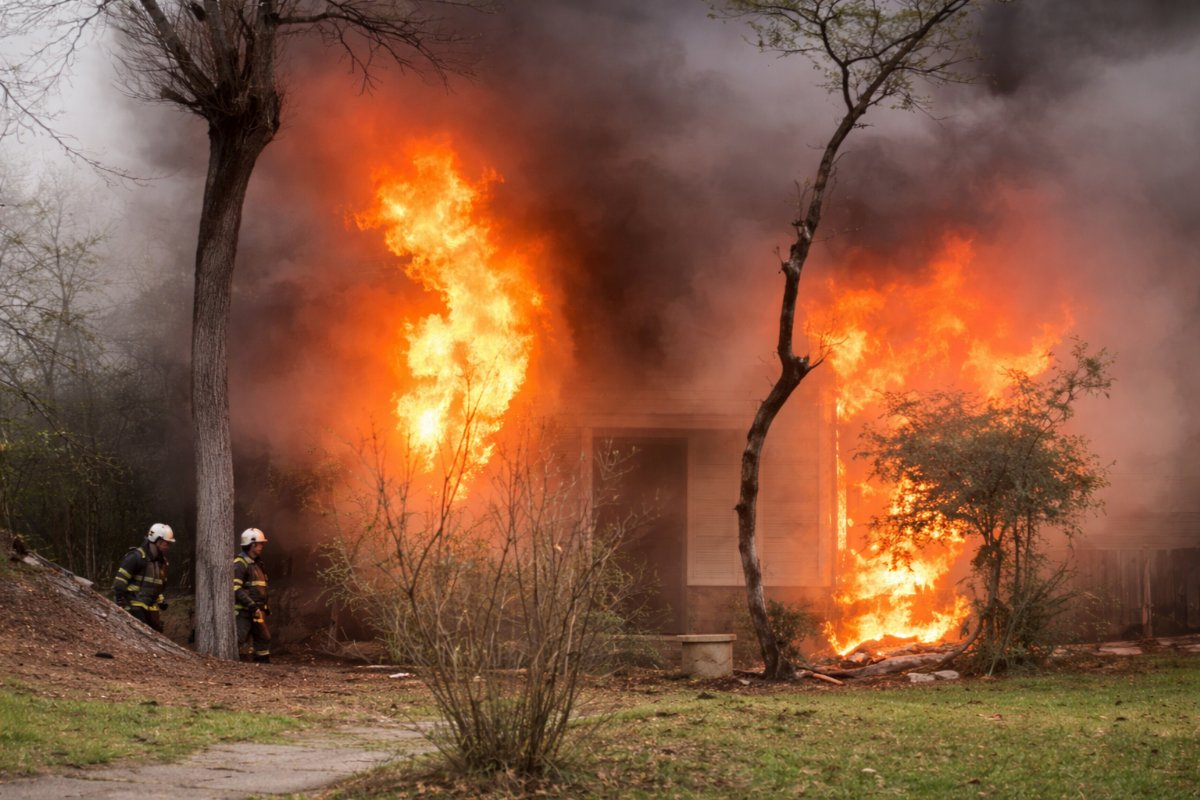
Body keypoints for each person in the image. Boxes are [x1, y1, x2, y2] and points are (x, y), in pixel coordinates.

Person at [112, 523, 174, 632]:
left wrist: (161, 601)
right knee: (142, 633)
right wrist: (120, 600)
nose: (167, 546)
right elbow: (120, 581)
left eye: (169, 543)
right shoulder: (136, 557)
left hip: (151, 606)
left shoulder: (163, 563)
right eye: (165, 543)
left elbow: (157, 586)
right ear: (156, 540)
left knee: (157, 634)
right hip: (134, 604)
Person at [234, 527, 271, 663]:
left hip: (256, 610)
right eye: (259, 544)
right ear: (251, 544)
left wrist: (263, 607)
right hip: (243, 611)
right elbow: (235, 588)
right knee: (239, 637)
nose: (262, 546)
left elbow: (260, 588)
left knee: (264, 637)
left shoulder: (257, 564)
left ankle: (262, 666)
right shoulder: (240, 564)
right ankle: (230, 665)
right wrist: (251, 605)